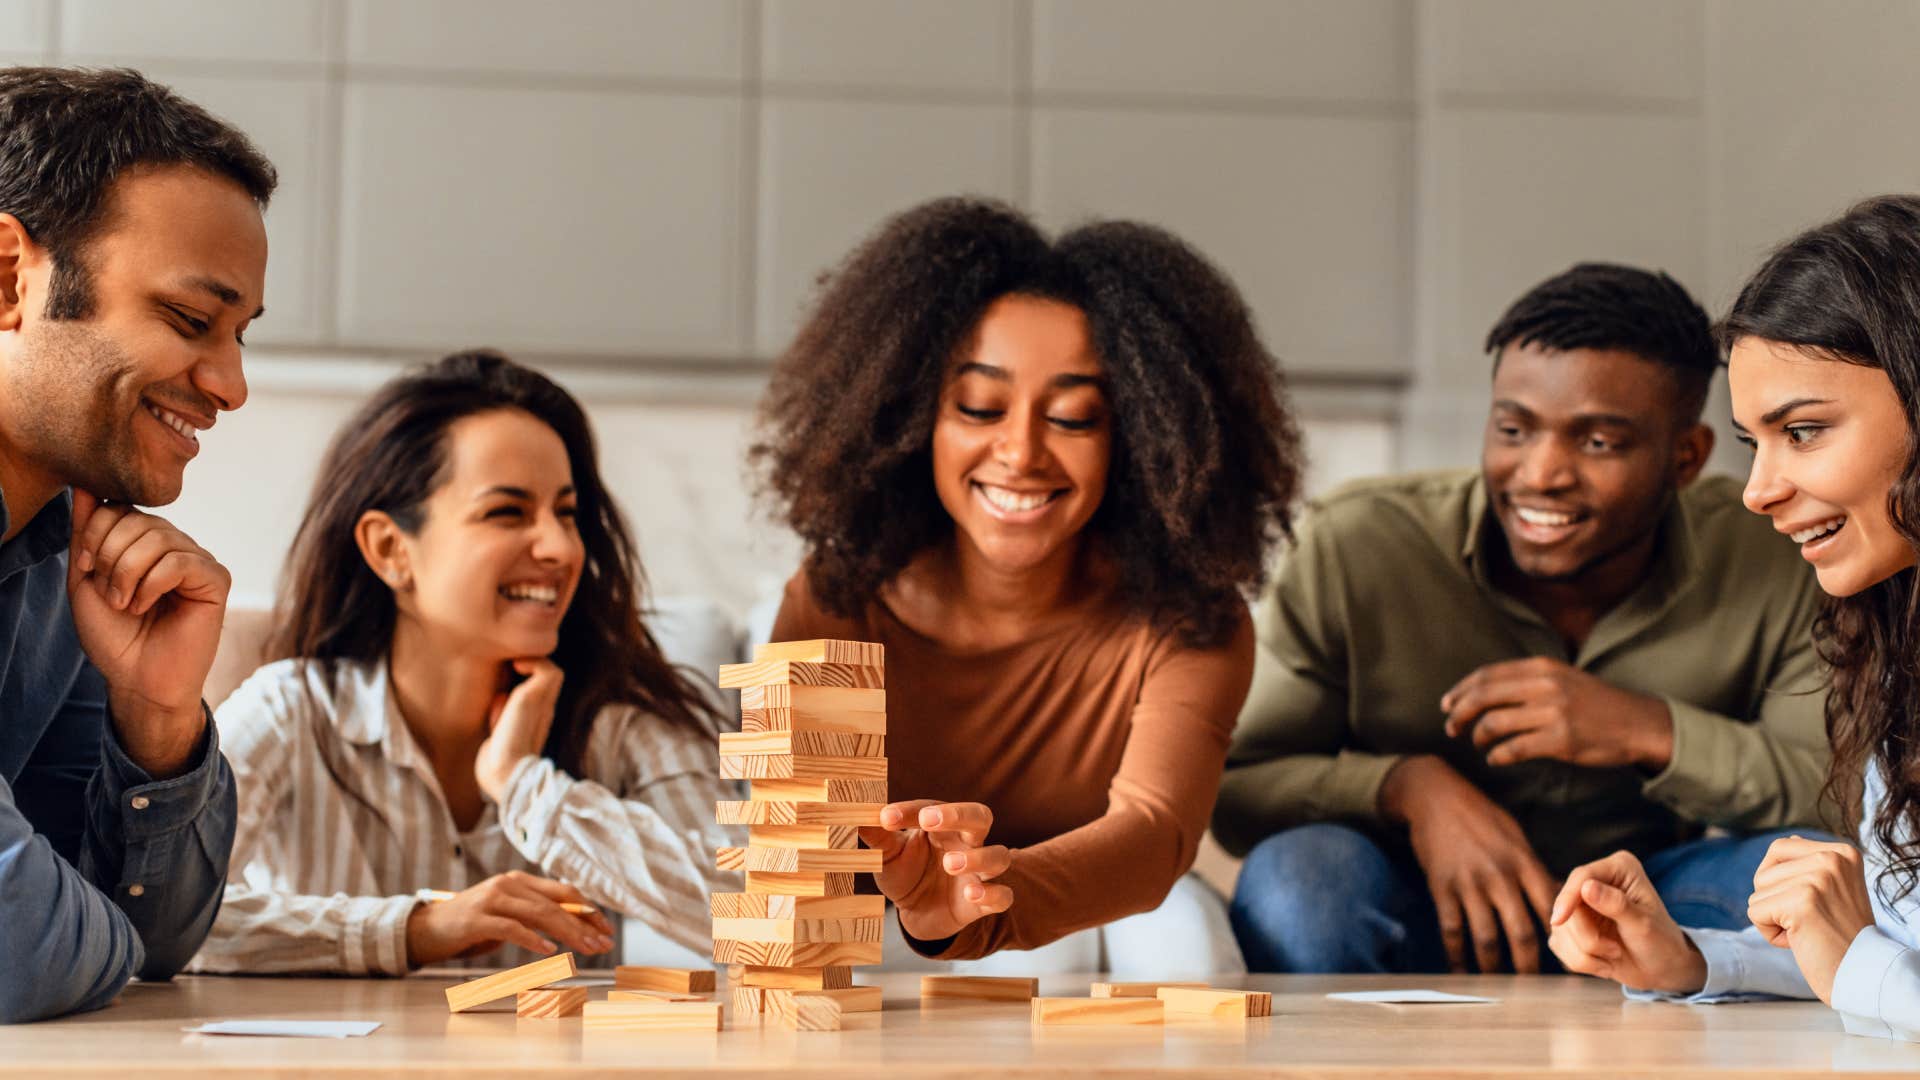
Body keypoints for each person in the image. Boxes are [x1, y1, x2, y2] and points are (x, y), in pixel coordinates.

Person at [1216, 263, 1831, 975]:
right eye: (1514, 429)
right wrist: (1407, 789)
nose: (1539, 473)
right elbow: (1238, 789)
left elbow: (1835, 793)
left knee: (1816, 875)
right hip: (1410, 900)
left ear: (1685, 458)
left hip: (1655, 906)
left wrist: (1644, 729)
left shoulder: (1774, 552)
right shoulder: (1359, 545)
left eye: (1598, 442)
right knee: (1297, 881)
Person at [753, 197, 1301, 966]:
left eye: (1074, 418)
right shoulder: (835, 597)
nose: (1020, 453)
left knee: (1193, 947)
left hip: (1079, 911)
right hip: (872, 929)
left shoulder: (1188, 622)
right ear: (911, 420)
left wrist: (976, 902)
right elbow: (806, 860)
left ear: (1141, 439)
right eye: (979, 406)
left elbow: (1153, 837)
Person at [190, 351, 732, 974]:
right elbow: (156, 922)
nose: (558, 548)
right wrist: (414, 929)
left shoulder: (622, 721)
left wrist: (525, 786)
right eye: (507, 512)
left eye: (567, 513)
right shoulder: (291, 710)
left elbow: (774, 919)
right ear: (391, 549)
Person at [1549, 195, 1920, 1041]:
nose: (1758, 492)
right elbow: (1894, 956)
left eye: (1806, 431)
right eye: (1758, 443)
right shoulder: (1897, 652)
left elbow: (1873, 964)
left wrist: (1855, 954)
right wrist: (1691, 959)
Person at [0, 67, 274, 1023]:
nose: (233, 386)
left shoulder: (63, 550)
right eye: (192, 321)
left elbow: (159, 945)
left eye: (240, 335)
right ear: (9, 278)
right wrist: (86, 929)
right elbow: (22, 962)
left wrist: (156, 720)